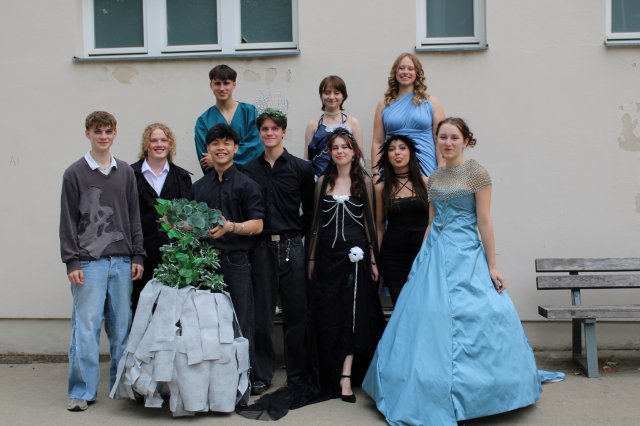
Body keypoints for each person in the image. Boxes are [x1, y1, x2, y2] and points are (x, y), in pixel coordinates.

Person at [363, 118, 563, 425]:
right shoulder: (434, 177)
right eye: (442, 137)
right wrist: (422, 256)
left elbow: (484, 220)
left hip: (466, 251)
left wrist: (492, 265)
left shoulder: (477, 173)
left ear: (466, 141)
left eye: (454, 137)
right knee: (426, 315)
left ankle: (479, 388)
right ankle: (427, 380)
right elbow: (432, 221)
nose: (447, 142)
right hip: (434, 252)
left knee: (481, 312)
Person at [59, 111, 145, 412]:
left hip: (121, 262)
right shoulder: (74, 173)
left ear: (115, 133)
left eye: (108, 131)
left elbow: (134, 216)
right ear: (88, 134)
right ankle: (81, 391)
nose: (103, 136)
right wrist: (71, 261)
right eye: (98, 131)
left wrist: (137, 254)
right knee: (86, 329)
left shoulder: (125, 172)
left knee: (122, 329)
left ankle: (122, 387)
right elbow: (67, 220)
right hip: (88, 263)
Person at [307, 128, 385, 403]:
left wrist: (373, 258)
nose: (340, 151)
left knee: (351, 315)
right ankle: (329, 370)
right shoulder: (322, 182)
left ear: (354, 151)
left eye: (345, 146)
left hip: (355, 257)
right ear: (330, 153)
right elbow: (315, 225)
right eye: (335, 147)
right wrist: (312, 258)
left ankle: (346, 376)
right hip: (327, 257)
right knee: (329, 313)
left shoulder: (364, 182)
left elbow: (370, 223)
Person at [243, 109, 315, 396]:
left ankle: (297, 373)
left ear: (284, 132)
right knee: (262, 315)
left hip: (292, 245)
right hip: (261, 247)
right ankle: (262, 374)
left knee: (297, 312)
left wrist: (300, 241)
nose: (270, 133)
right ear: (259, 133)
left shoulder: (301, 169)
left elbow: (311, 212)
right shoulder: (248, 171)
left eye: (275, 129)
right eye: (265, 129)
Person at [190, 123, 264, 363]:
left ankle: (244, 375)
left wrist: (231, 226)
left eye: (226, 143)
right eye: (215, 144)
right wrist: (177, 223)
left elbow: (258, 225)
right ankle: (212, 375)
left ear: (236, 148)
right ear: (208, 149)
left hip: (238, 262)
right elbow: (190, 224)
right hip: (206, 263)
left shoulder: (247, 184)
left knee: (241, 321)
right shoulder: (199, 187)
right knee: (207, 321)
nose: (221, 148)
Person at [130, 123, 192, 313]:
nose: (159, 144)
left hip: (172, 257)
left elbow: (187, 220)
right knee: (139, 308)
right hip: (140, 256)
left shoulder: (182, 177)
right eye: (154, 140)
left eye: (164, 140)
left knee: (169, 311)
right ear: (146, 144)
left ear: (170, 144)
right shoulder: (131, 175)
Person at [370, 52, 445, 178]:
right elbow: (377, 142)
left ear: (417, 73)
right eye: (401, 68)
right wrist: (376, 174)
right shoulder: (384, 104)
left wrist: (442, 167)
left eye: (410, 68)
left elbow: (440, 139)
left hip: (427, 167)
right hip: (394, 166)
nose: (406, 72)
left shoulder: (432, 102)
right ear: (395, 72)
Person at [374, 135, 429, 305]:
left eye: (402, 148)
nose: (397, 152)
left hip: (423, 254)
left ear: (411, 153)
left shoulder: (427, 183)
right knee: (400, 306)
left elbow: (434, 222)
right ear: (387, 157)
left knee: (423, 304)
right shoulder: (381, 188)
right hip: (393, 257)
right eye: (391, 149)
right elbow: (379, 227)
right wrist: (375, 260)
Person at [195, 64, 263, 172]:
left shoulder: (250, 112)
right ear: (211, 85)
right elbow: (205, 159)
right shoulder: (203, 121)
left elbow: (255, 147)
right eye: (217, 83)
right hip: (219, 179)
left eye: (226, 83)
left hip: (251, 177)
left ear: (234, 85)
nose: (222, 88)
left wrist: (218, 160)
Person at [304, 75, 364, 179]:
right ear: (321, 96)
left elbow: (359, 157)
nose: (331, 97)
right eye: (327, 93)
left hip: (348, 179)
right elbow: (306, 158)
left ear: (343, 96)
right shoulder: (313, 124)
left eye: (336, 93)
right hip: (317, 179)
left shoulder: (353, 123)